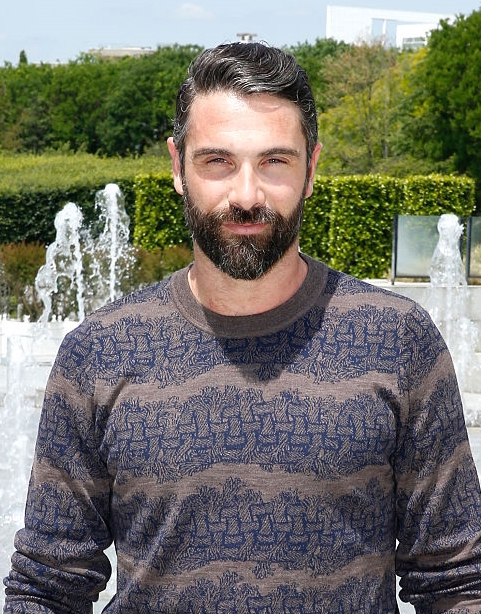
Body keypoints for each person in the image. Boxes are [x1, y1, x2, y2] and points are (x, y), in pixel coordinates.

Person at [4, 41, 481, 614]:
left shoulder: (398, 340)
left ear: (312, 168)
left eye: (275, 161)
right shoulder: (99, 351)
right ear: (178, 167)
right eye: (218, 161)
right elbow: (48, 588)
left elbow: (456, 580)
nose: (247, 195)